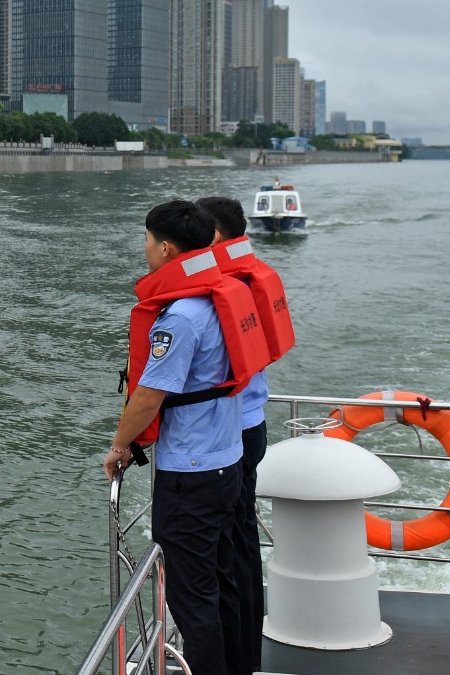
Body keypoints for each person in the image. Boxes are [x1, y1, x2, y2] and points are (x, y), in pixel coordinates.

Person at [104, 200, 251, 675]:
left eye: (146, 241)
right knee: (222, 579)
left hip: (191, 472)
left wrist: (120, 446)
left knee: (192, 598)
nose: (144, 250)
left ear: (166, 248)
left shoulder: (181, 317)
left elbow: (148, 396)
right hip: (229, 459)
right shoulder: (220, 298)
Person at [197, 195, 297, 675]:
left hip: (228, 436)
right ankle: (245, 655)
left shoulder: (220, 289)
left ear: (214, 237)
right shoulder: (249, 277)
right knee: (241, 544)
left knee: (224, 557)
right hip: (252, 423)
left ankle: (234, 659)